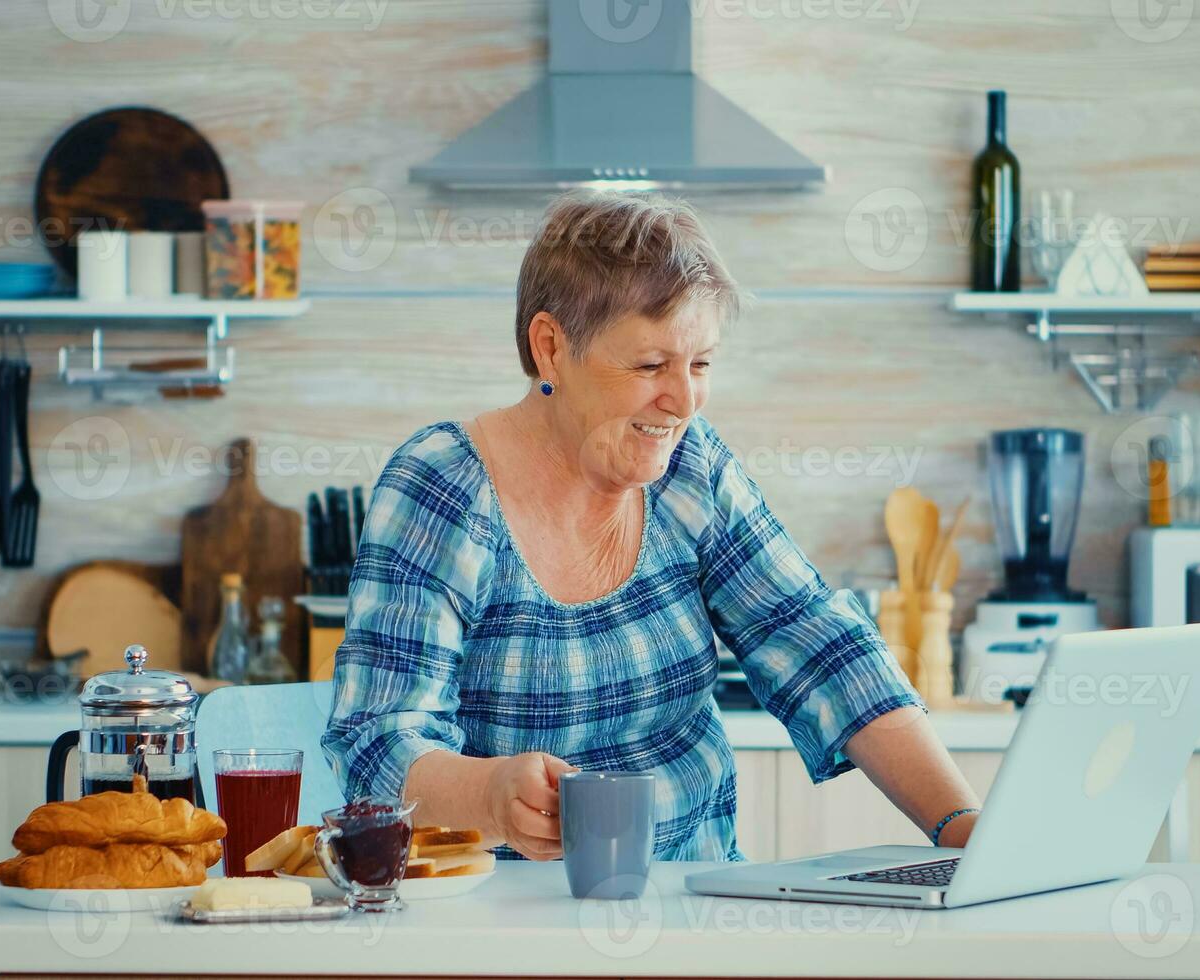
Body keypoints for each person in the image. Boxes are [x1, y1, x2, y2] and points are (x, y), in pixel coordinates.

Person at [322, 192, 981, 861]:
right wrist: (490, 794)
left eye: (700, 365)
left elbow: (818, 644)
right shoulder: (443, 487)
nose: (684, 400)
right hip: (507, 922)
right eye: (649, 366)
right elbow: (378, 743)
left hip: (695, 905)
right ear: (550, 348)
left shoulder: (692, 467)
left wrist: (965, 829)